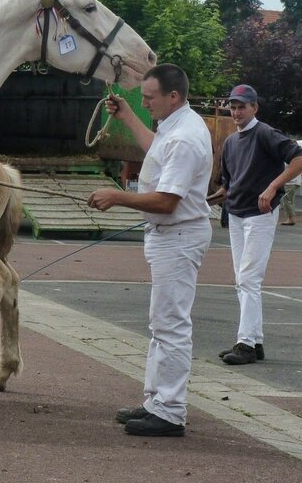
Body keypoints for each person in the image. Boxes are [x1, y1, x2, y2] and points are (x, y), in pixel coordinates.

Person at [88, 64, 212, 438]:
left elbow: (167, 201)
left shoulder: (186, 137)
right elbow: (156, 151)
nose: (145, 103)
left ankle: (170, 412)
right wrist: (127, 117)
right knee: (162, 324)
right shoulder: (175, 128)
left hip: (177, 234)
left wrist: (117, 196)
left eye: (149, 98)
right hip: (169, 236)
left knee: (171, 326)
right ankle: (156, 402)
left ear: (173, 96)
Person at [209, 84, 302, 365]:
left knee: (249, 279)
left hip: (260, 214)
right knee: (242, 280)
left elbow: (301, 159)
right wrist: (205, 200)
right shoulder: (230, 142)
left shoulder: (265, 133)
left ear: (254, 107)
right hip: (237, 214)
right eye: (233, 106)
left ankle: (245, 345)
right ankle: (255, 340)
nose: (237, 111)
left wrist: (272, 187)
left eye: (242, 106)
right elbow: (228, 186)